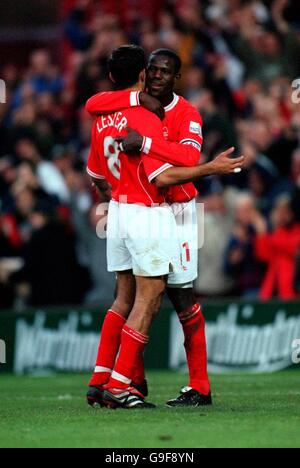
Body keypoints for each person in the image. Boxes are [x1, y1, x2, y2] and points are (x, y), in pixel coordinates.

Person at [86, 47, 244, 408]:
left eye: (165, 72)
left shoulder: (186, 114)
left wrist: (145, 144)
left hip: (180, 211)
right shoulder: (131, 106)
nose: (157, 76)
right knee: (138, 297)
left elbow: (187, 158)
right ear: (144, 73)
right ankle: (131, 382)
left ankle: (199, 387)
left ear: (176, 77)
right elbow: (92, 104)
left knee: (180, 298)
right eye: (152, 70)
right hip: (145, 209)